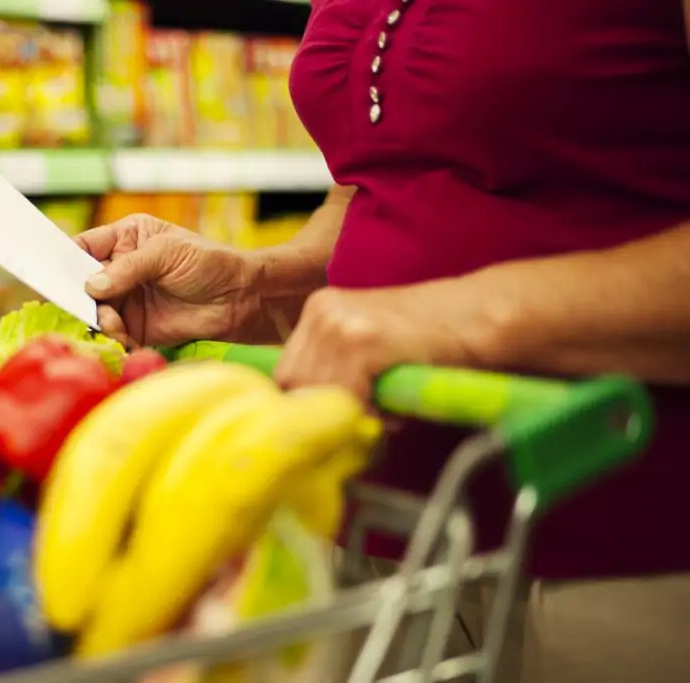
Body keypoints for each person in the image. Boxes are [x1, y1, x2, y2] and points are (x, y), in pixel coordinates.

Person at [75, 1, 690, 681]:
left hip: (617, 540)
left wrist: (453, 319)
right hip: (382, 519)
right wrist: (262, 281)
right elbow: (377, 183)